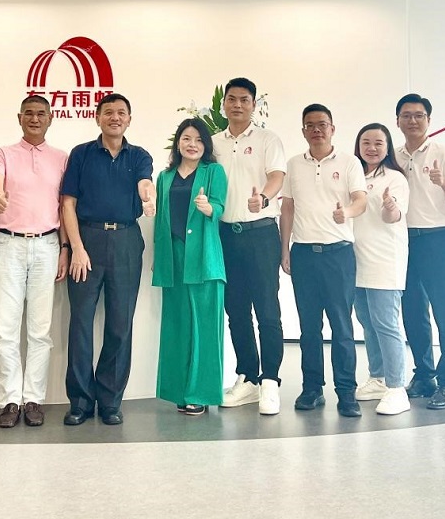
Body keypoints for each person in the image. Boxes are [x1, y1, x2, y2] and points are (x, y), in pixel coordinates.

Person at [61, 93, 155, 426]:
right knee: (81, 323)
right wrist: (76, 247)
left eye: (121, 113)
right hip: (87, 240)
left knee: (120, 324)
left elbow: (145, 182)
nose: (115, 117)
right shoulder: (82, 154)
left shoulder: (139, 155)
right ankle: (80, 402)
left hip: (127, 240)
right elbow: (68, 203)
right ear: (97, 117)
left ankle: (111, 401)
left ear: (129, 119)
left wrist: (148, 195)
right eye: (109, 112)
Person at [280, 104, 367, 417]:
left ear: (332, 128)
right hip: (304, 254)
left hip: (338, 254)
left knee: (342, 327)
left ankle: (346, 392)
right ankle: (312, 389)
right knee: (309, 328)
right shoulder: (294, 164)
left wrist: (348, 213)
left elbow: (361, 200)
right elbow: (287, 208)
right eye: (310, 125)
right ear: (303, 130)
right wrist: (285, 249)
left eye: (322, 124)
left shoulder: (348, 162)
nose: (316, 130)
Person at [0, 96, 69, 428]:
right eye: (29, 114)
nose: (35, 119)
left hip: (47, 245)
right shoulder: (3, 153)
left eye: (41, 114)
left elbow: (66, 205)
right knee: (6, 329)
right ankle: (10, 400)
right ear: (19, 117)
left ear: (50, 118)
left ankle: (33, 398)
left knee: (40, 330)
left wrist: (65, 248)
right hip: (9, 244)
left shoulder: (62, 158)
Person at [212, 77, 287, 415]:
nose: (237, 104)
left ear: (253, 105)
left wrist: (265, 198)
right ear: (224, 104)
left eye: (244, 99)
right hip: (226, 235)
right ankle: (248, 378)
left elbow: (277, 176)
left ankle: (270, 380)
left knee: (267, 310)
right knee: (236, 310)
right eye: (232, 99)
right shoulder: (214, 143)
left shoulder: (268, 139)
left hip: (261, 234)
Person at [153, 118, 228, 416]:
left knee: (205, 327)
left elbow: (220, 206)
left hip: (204, 258)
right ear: (178, 143)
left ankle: (201, 393)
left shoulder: (213, 172)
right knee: (176, 326)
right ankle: (178, 392)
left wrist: (210, 208)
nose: (192, 144)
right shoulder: (165, 176)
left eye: (198, 139)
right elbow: (160, 218)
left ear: (205, 145)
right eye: (186, 138)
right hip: (173, 258)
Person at [395, 93, 445, 409]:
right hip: (403, 240)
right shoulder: (393, 157)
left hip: (438, 239)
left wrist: (443, 182)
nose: (413, 120)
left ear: (428, 120)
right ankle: (424, 374)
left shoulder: (444, 154)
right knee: (412, 311)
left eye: (419, 115)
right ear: (398, 121)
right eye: (407, 115)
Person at [352, 124, 411, 415]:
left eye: (378, 142)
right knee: (367, 321)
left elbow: (394, 216)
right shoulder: (353, 175)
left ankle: (397, 387)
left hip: (385, 261)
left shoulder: (395, 178)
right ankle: (378, 377)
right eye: (366, 142)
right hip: (355, 261)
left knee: (386, 324)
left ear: (388, 147)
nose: (372, 148)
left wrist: (388, 205)